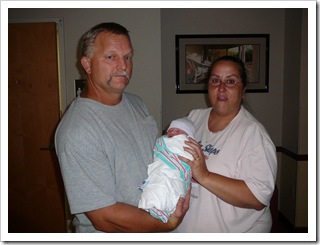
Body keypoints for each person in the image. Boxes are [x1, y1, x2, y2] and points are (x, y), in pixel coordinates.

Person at [54, 22, 190, 233]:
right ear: (87, 65)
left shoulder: (136, 103)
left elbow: (152, 159)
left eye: (128, 57)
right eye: (111, 57)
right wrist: (167, 224)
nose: (123, 66)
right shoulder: (78, 130)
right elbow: (103, 217)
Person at [175, 56, 277, 233]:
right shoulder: (194, 118)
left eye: (230, 81)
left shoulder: (253, 134)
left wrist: (204, 175)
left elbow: (258, 198)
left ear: (243, 90)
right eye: (215, 80)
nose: (221, 88)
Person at [138, 117, 195, 223]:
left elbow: (191, 158)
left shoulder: (186, 143)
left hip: (176, 174)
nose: (173, 131)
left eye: (178, 131)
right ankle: (158, 207)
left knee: (170, 190)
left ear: (188, 136)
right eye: (170, 130)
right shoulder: (164, 140)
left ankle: (163, 209)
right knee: (160, 186)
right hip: (164, 170)